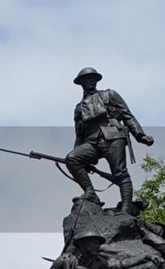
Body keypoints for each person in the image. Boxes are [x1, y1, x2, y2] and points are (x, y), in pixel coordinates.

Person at [64, 68, 154, 210]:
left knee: (120, 173)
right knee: (71, 158)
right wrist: (79, 156)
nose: (90, 81)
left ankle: (126, 207)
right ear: (81, 83)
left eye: (93, 78)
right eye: (87, 79)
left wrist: (140, 135)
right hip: (91, 142)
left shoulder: (109, 95)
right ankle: (90, 193)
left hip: (113, 136)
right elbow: (79, 134)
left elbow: (127, 116)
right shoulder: (79, 108)